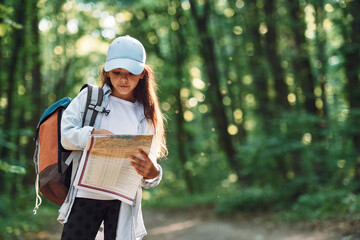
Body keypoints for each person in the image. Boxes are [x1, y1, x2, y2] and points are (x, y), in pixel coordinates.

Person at [58, 35, 167, 240]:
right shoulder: (89, 98)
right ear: (107, 71)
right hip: (84, 197)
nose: (123, 79)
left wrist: (153, 172)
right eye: (117, 72)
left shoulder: (146, 115)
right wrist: (90, 136)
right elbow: (65, 136)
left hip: (122, 202)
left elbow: (147, 173)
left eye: (131, 73)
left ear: (142, 74)